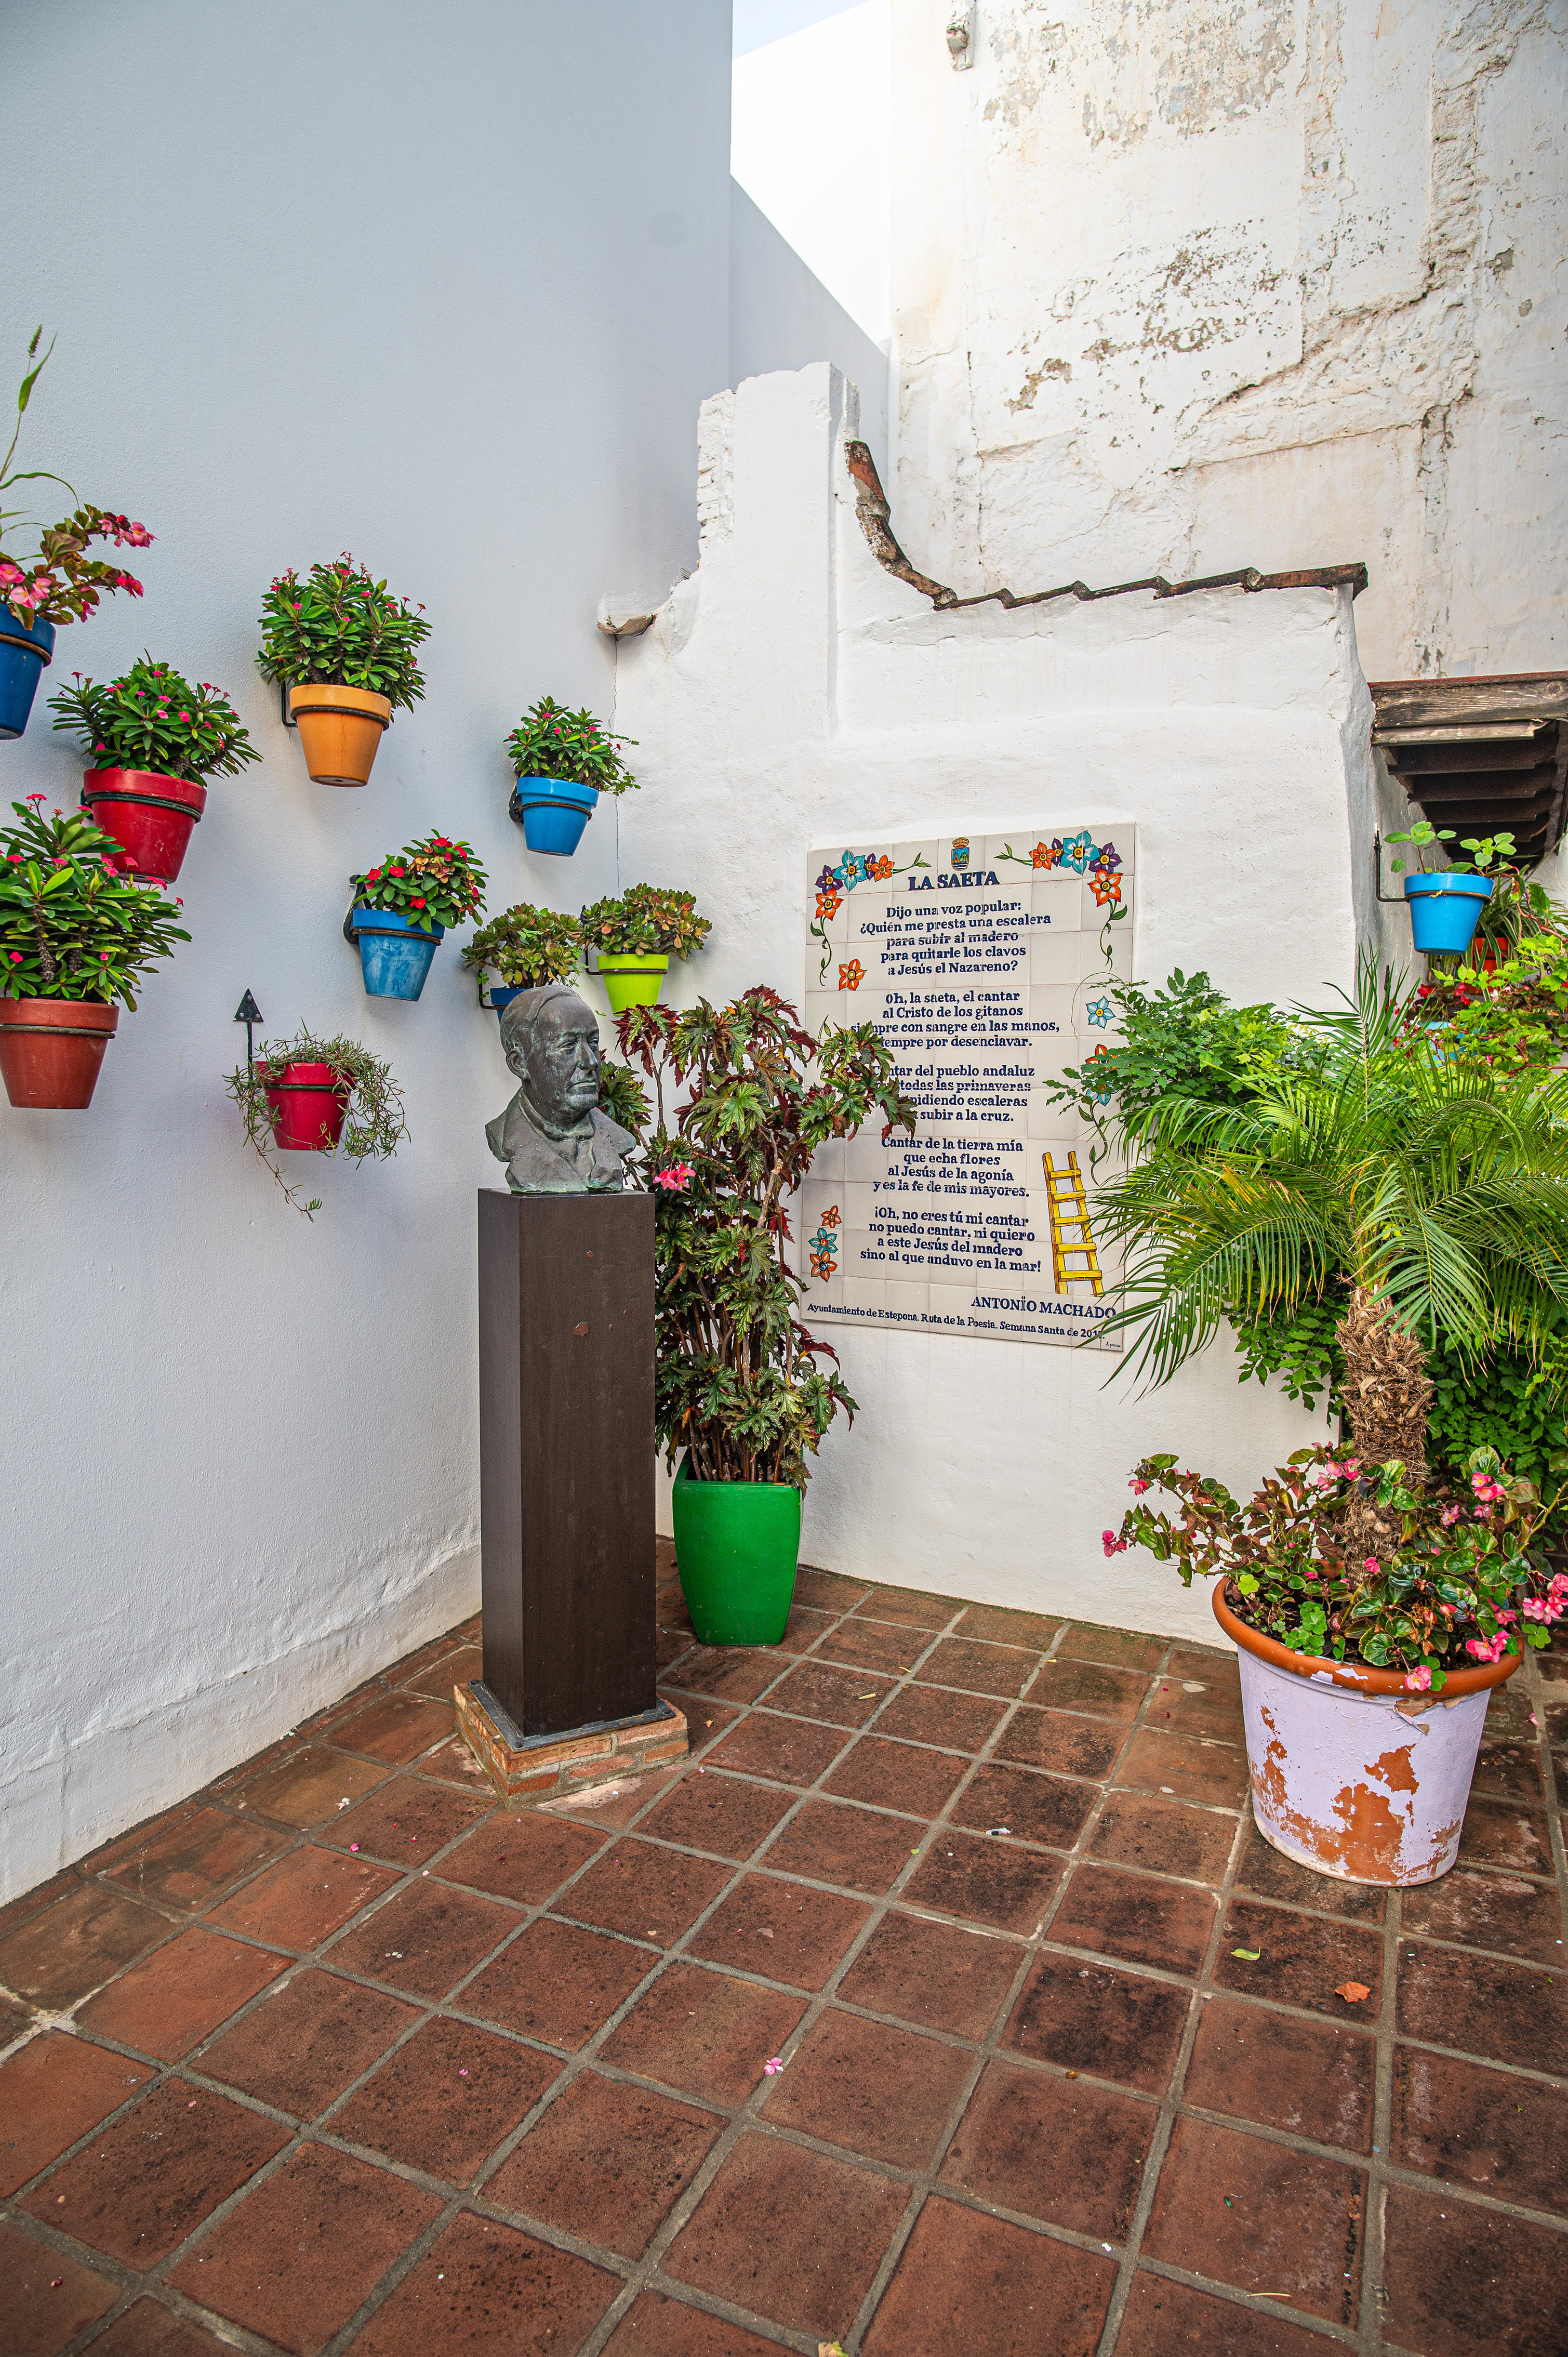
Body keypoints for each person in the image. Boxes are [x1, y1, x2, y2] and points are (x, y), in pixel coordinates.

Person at [486, 983, 636, 1193]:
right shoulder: (503, 1134)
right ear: (520, 1064)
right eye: (568, 1046)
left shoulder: (619, 1138)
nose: (590, 1061)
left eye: (592, 1043)